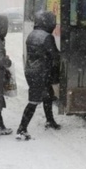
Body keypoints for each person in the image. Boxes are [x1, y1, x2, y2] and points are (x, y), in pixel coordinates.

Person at [16, 11, 61, 140]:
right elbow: (54, 55)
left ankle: (50, 120)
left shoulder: (32, 34)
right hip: (41, 72)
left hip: (31, 70)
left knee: (47, 95)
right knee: (33, 101)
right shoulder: (47, 37)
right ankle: (21, 128)